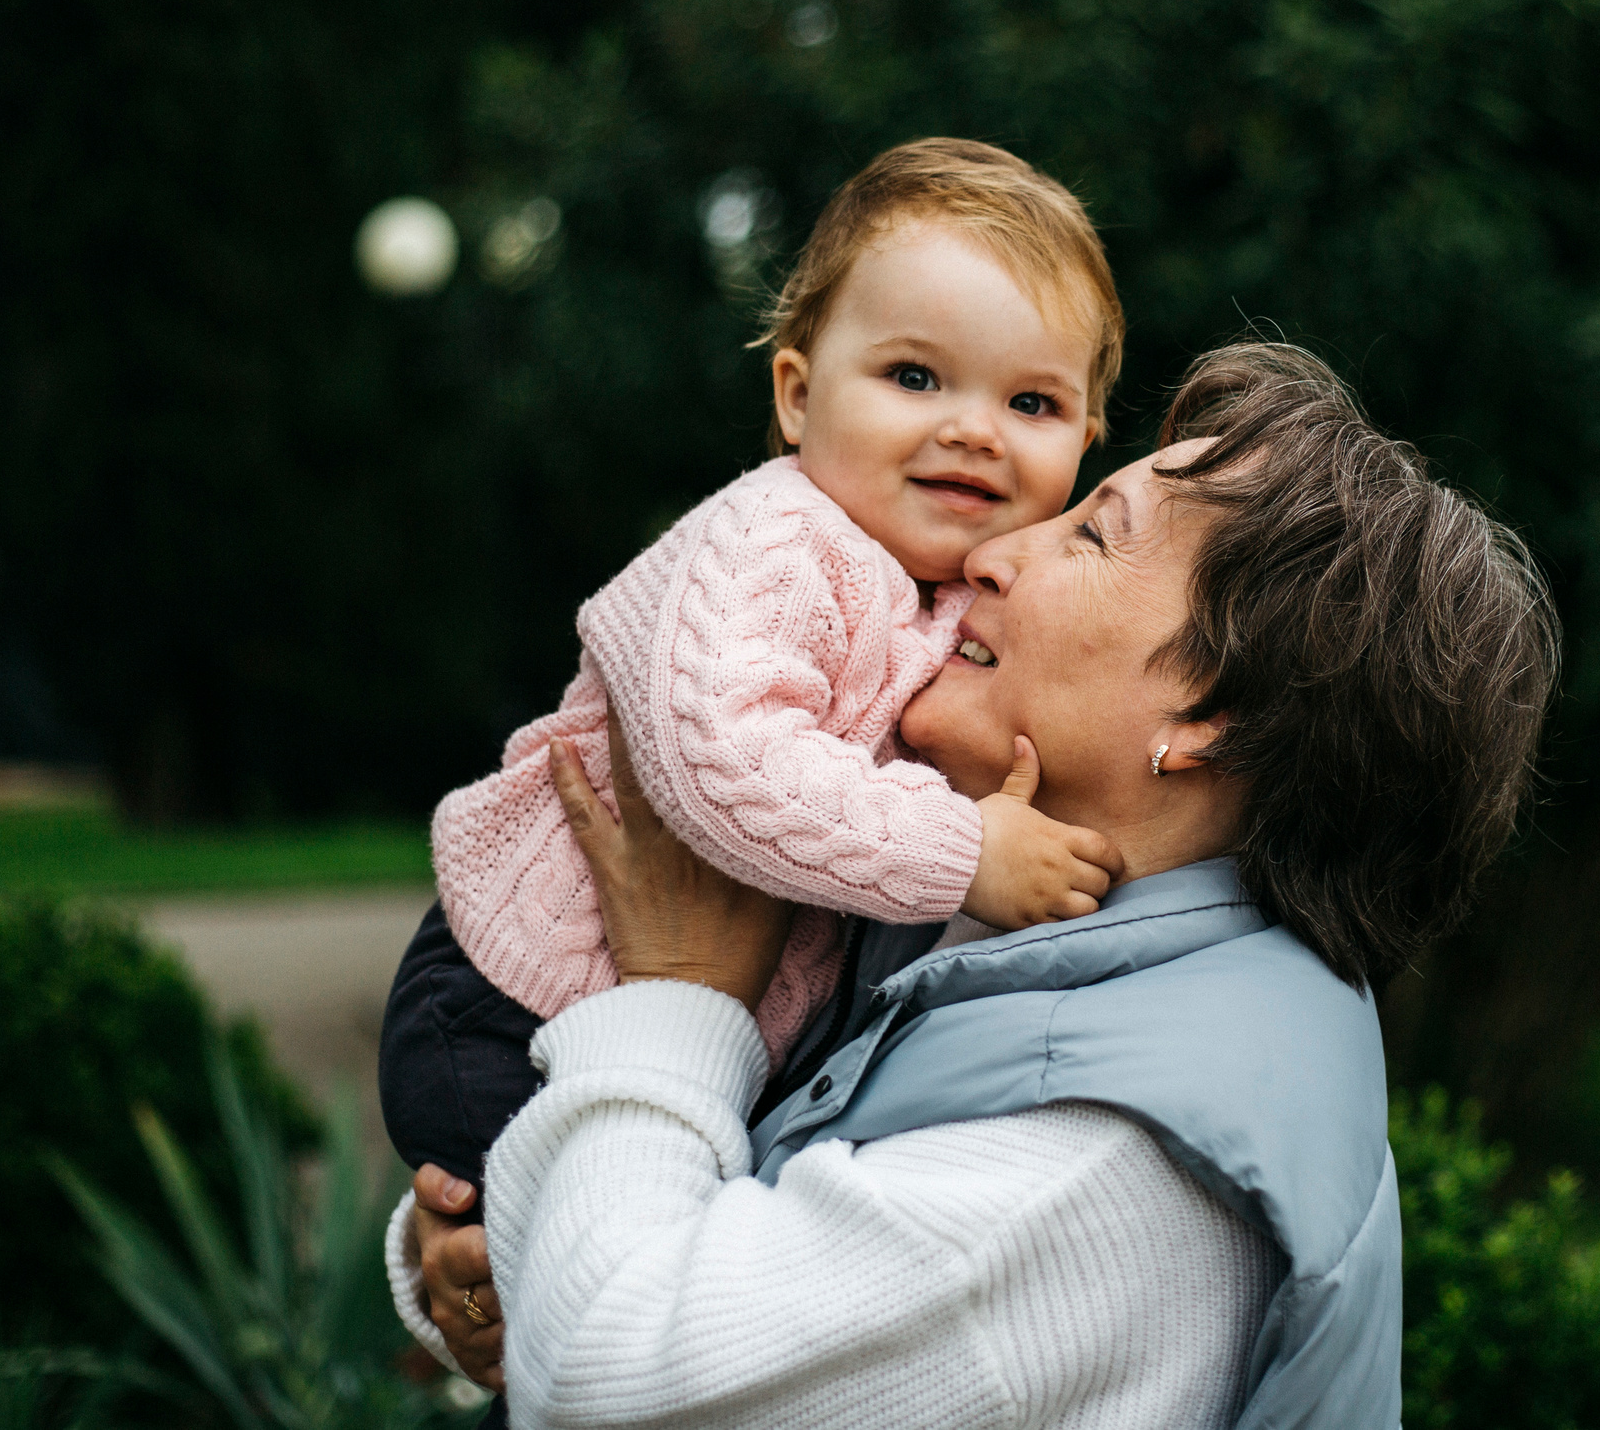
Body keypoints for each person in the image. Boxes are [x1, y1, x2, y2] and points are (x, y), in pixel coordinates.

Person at [388, 343, 1561, 1429]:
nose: (993, 551)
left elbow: (612, 1378)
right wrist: (500, 1240)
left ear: (1210, 716)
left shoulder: (1106, 1164)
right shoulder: (1024, 924)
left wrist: (675, 1001)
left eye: (1093, 536)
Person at [383, 139, 1131, 1210]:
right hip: (519, 999)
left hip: (695, 1030)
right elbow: (724, 762)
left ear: (1085, 444)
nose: (972, 430)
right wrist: (964, 851)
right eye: (913, 377)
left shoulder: (971, 594)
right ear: (796, 392)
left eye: (1032, 405)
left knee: (588, 1275)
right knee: (596, 1290)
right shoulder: (779, 544)